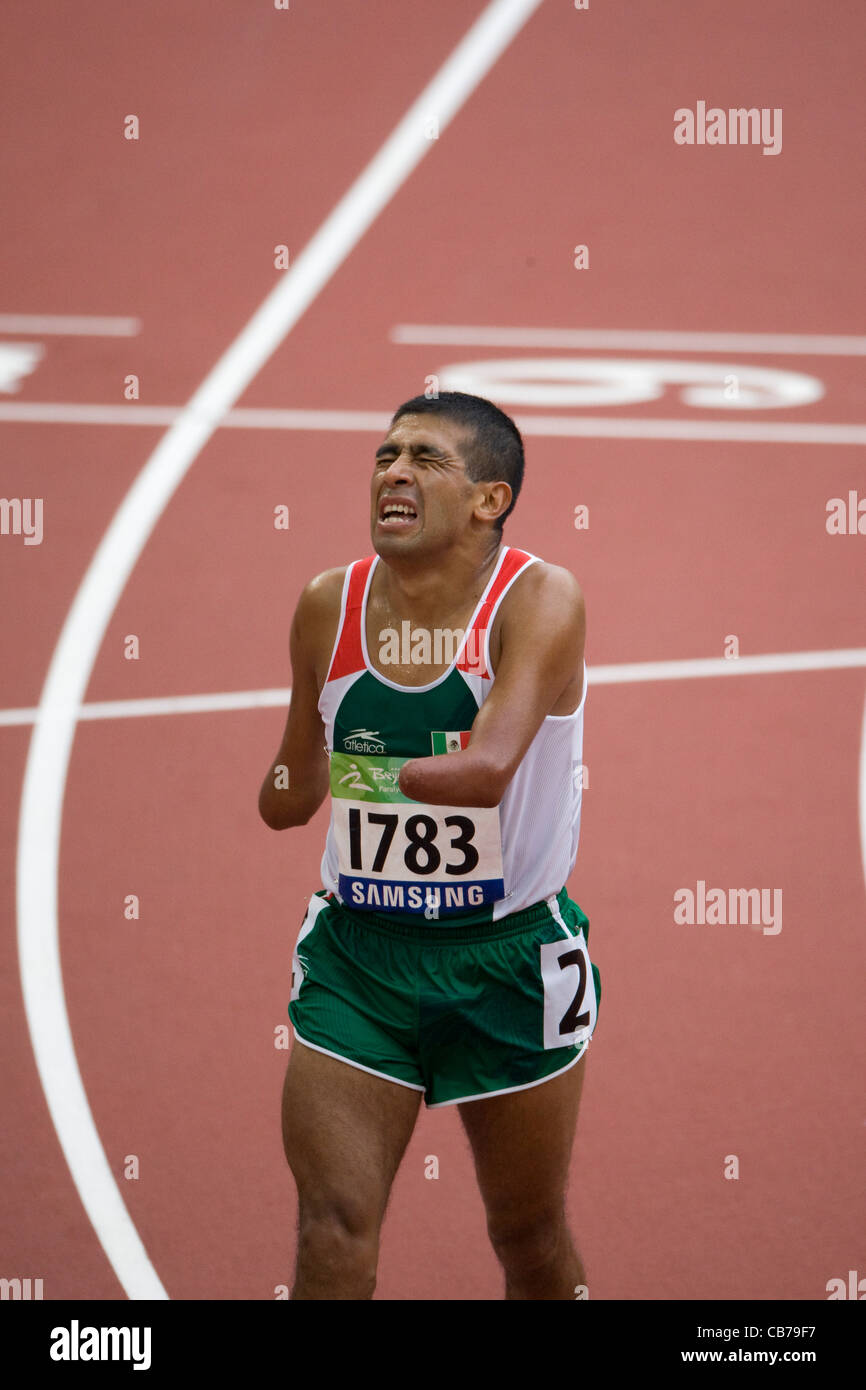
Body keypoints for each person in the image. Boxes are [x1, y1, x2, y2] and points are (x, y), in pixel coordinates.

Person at [258, 390, 601, 1300]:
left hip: (510, 963)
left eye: (424, 458)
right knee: (332, 1229)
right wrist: (299, 775)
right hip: (358, 963)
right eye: (384, 455)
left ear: (489, 499)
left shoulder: (540, 598)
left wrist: (375, 762)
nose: (393, 471)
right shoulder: (327, 604)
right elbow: (290, 796)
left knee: (527, 1237)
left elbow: (486, 770)